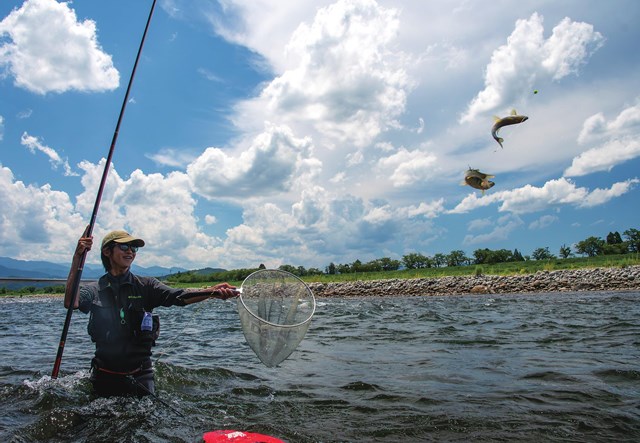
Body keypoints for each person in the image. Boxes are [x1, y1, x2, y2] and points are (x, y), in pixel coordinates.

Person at [64, 228, 238, 397]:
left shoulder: (147, 285)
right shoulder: (94, 289)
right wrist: (77, 258)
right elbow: (71, 302)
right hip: (104, 375)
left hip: (141, 375)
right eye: (124, 247)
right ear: (107, 252)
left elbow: (179, 297)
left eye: (134, 248)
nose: (130, 251)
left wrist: (212, 292)